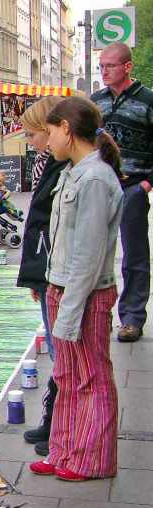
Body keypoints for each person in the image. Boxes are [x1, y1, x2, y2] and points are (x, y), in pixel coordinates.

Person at [28, 97, 123, 482]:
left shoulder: (96, 179)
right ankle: (64, 450)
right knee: (67, 377)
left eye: (50, 132)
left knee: (91, 378)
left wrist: (69, 308)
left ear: (66, 129)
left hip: (82, 294)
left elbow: (87, 254)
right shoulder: (72, 171)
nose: (47, 141)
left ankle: (93, 459)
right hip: (61, 288)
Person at [91, 42, 153, 343]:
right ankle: (97, 314)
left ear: (127, 67)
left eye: (110, 66)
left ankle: (131, 317)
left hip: (133, 186)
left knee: (135, 254)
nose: (104, 71)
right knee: (94, 251)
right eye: (101, 66)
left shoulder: (148, 100)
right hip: (99, 187)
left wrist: (147, 183)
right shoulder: (95, 102)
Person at [16, 95, 67, 458]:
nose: (30, 141)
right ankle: (54, 420)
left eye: (34, 134)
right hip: (46, 270)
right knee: (57, 349)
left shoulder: (66, 169)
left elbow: (52, 227)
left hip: (58, 272)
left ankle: (60, 425)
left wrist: (43, 276)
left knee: (63, 353)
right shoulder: (47, 164)